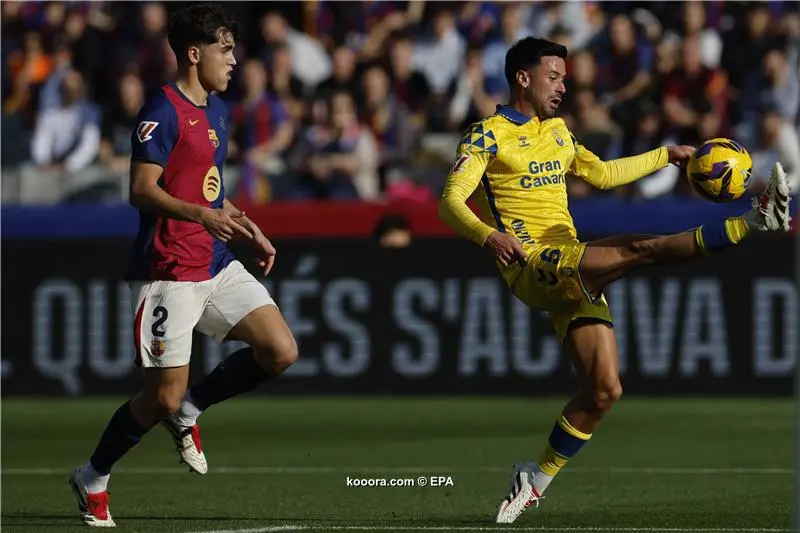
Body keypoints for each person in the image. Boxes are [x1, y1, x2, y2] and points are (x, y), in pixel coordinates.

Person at [438, 37, 792, 525]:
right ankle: (756, 222)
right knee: (640, 248)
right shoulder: (487, 135)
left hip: (571, 263)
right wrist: (487, 235)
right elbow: (451, 200)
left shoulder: (558, 132)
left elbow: (602, 174)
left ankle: (533, 479)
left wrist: (664, 155)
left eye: (565, 77)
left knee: (604, 391)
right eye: (553, 76)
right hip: (533, 263)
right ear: (523, 78)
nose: (563, 85)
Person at [68, 4, 299, 527]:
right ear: (194, 54)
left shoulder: (217, 111)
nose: (234, 60)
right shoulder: (162, 110)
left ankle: (192, 411)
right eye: (225, 49)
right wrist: (200, 214)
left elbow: (211, 192)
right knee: (159, 396)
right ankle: (93, 475)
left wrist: (248, 226)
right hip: (166, 270)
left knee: (280, 350)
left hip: (214, 260)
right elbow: (141, 190)